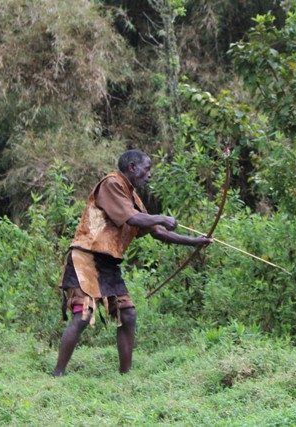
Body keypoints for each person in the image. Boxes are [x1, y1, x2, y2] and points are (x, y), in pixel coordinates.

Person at [53, 149, 211, 376]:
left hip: (107, 263)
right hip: (86, 257)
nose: (149, 175)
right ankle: (58, 373)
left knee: (127, 315)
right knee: (83, 315)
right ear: (132, 167)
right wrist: (162, 217)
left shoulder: (132, 196)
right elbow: (134, 219)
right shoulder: (111, 184)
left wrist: (194, 241)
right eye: (147, 169)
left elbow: (155, 231)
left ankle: (125, 376)